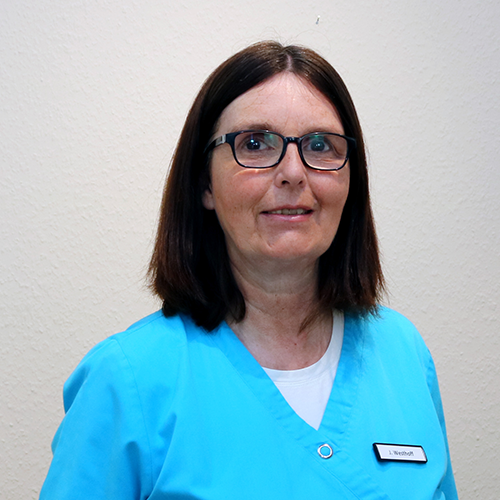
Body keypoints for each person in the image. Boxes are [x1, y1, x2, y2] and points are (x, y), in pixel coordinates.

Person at [40, 41, 458, 499]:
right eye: (255, 144)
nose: (293, 172)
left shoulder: (402, 353)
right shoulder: (127, 380)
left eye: (320, 145)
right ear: (205, 183)